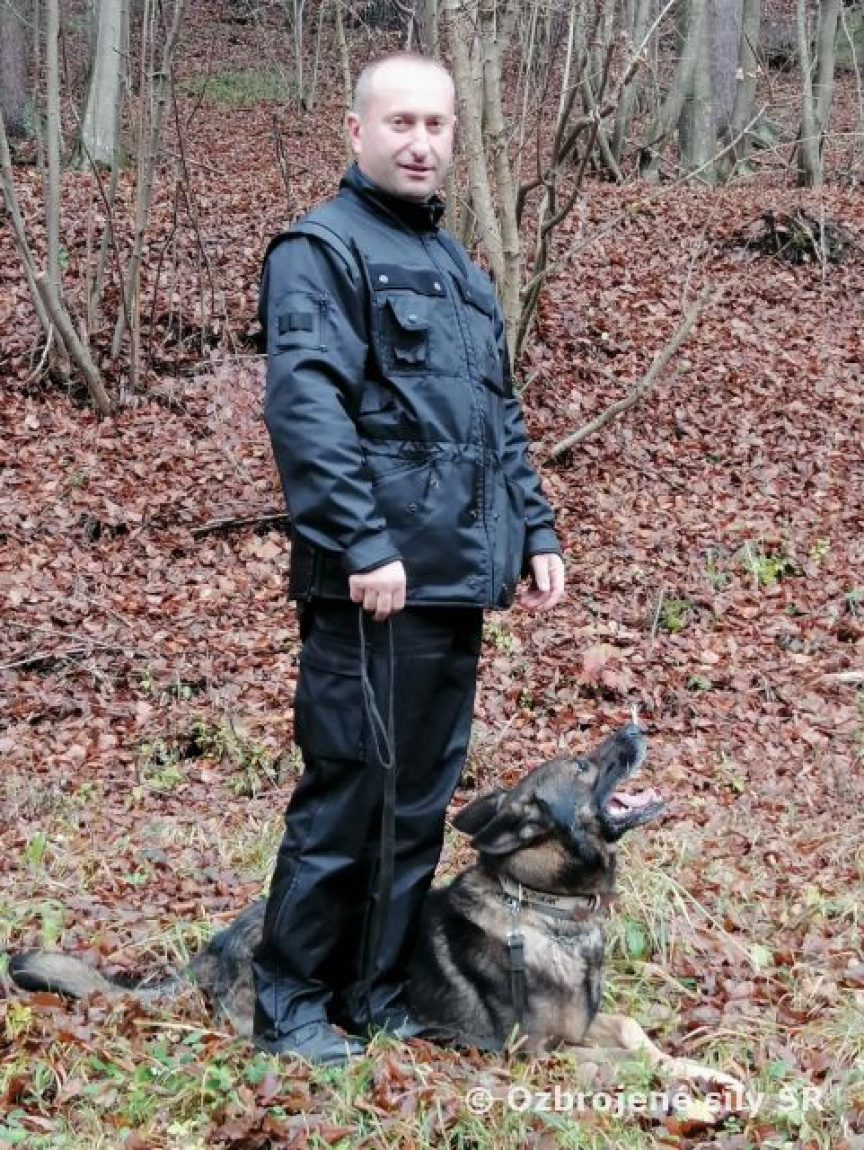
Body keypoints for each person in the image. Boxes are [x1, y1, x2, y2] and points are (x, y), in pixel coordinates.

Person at [254, 52, 566, 1065]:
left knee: (416, 808)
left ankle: (374, 991)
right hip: (371, 587)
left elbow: (495, 418)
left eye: (437, 124)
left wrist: (534, 531)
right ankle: (290, 1004)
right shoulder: (320, 251)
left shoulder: (460, 268)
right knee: (348, 796)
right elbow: (308, 411)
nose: (421, 142)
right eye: (401, 123)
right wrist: (362, 541)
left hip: (451, 584)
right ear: (357, 132)